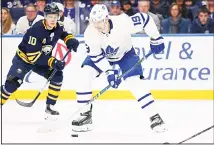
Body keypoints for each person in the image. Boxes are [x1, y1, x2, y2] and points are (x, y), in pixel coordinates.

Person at [71, 4, 166, 133]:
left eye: (100, 22)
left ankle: (155, 117)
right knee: (84, 74)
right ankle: (85, 116)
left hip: (125, 54)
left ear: (106, 18)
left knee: (134, 81)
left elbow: (145, 19)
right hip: (103, 56)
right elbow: (96, 56)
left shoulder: (123, 22)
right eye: (95, 23)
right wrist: (109, 72)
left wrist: (156, 38)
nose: (97, 26)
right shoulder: (90, 32)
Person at [0, 3, 79, 120]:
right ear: (45, 16)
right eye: (50, 16)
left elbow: (62, 33)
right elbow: (32, 57)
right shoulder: (36, 30)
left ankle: (49, 107)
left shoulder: (58, 26)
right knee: (12, 84)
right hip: (24, 59)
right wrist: (53, 61)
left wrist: (70, 39)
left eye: (55, 16)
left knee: (57, 76)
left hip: (40, 60)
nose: (53, 19)